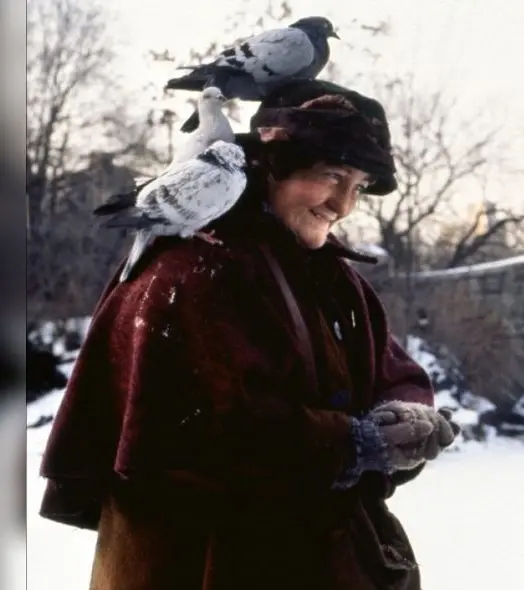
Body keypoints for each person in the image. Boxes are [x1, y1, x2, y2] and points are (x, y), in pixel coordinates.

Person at [38, 79, 458, 590]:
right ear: (272, 167)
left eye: (360, 185)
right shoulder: (189, 273)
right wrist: (351, 444)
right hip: (206, 568)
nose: (344, 205)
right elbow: (194, 436)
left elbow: (391, 368)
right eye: (332, 175)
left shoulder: (328, 276)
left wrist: (405, 417)